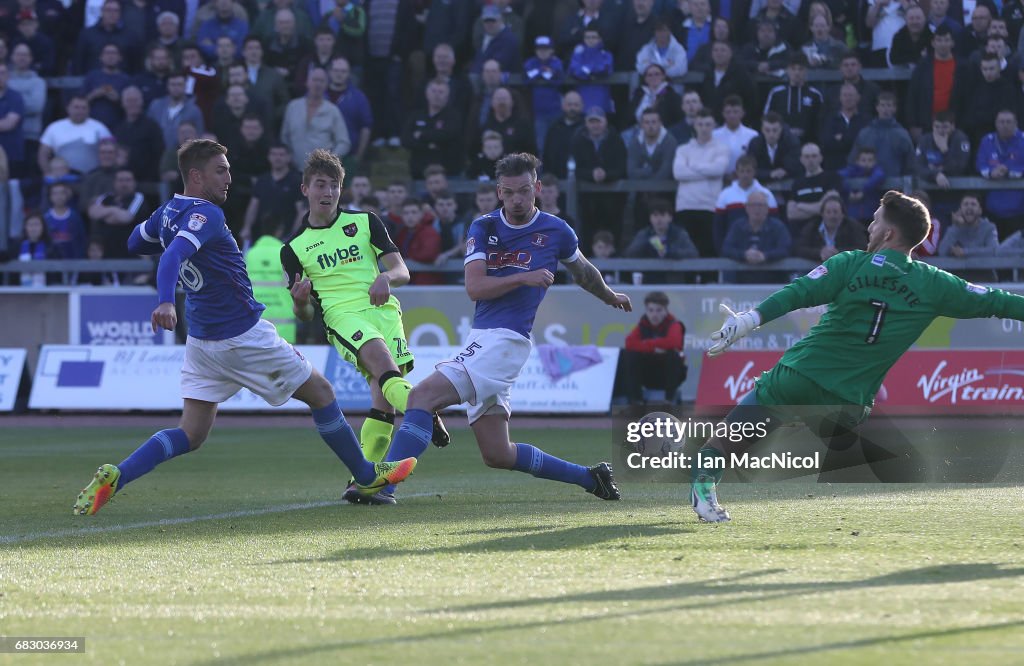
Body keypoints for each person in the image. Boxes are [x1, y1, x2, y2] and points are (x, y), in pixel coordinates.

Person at [73, 139, 417, 516]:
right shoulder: (208, 215)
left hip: (202, 341)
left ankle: (118, 475)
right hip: (241, 334)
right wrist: (166, 300)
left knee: (190, 434)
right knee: (321, 392)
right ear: (195, 175)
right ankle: (366, 475)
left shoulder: (169, 211)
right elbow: (172, 255)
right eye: (220, 170)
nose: (229, 179)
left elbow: (136, 241)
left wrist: (168, 229)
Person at [692, 190, 1024, 522]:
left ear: (889, 234)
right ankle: (798, 426)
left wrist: (749, 320)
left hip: (797, 377)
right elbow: (996, 300)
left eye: (876, 220)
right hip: (847, 404)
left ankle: (705, 490)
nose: (869, 226)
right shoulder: (933, 283)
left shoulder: (849, 263)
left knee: (724, 441)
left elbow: (798, 292)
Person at [376, 152, 630, 501]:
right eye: (509, 193)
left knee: (421, 396)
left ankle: (383, 484)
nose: (517, 200)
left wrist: (609, 295)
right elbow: (475, 288)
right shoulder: (484, 227)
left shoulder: (556, 230)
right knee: (498, 454)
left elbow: (584, 271)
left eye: (524, 191)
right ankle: (591, 478)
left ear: (537, 188)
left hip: (507, 340)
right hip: (483, 338)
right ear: (499, 192)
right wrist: (525, 277)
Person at [280, 149, 450, 505]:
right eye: (320, 185)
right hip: (344, 317)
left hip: (385, 311)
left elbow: (402, 270)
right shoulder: (294, 249)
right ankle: (423, 408)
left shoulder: (366, 222)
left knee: (382, 400)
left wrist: (386, 277)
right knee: (385, 369)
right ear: (305, 189)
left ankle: (363, 483)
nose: (328, 193)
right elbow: (306, 316)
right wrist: (298, 301)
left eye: (334, 186)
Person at [614, 291, 687, 405]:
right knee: (628, 354)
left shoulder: (674, 324)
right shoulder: (643, 325)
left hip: (668, 374)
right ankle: (635, 401)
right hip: (648, 374)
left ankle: (669, 400)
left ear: (666, 310)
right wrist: (654, 348)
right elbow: (630, 343)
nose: (654, 315)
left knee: (673, 355)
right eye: (651, 310)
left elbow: (673, 343)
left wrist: (644, 344)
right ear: (646, 311)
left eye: (659, 310)